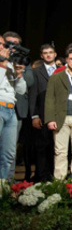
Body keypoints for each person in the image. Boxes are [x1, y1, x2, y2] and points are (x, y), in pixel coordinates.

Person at [45, 48, 72, 182]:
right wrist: (50, 119)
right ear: (67, 60)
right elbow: (49, 99)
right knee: (60, 152)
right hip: (60, 118)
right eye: (71, 59)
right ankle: (59, 181)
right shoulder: (55, 77)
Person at [29, 43, 57, 182]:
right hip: (42, 114)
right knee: (42, 148)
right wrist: (34, 115)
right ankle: (42, 178)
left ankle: (53, 177)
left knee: (56, 148)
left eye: (50, 52)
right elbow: (33, 95)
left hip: (58, 116)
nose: (48, 55)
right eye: (45, 53)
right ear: (41, 55)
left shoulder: (62, 70)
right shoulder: (36, 72)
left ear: (55, 54)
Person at [0, 35, 27, 179]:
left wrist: (19, 74)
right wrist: (3, 64)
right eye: (3, 44)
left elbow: (21, 90)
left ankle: (3, 189)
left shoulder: (10, 64)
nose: (6, 48)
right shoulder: (4, 63)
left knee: (9, 155)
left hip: (11, 111)